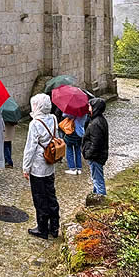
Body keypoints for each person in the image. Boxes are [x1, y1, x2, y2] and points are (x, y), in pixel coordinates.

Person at [22, 93, 60, 239]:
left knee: (39, 198)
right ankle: (54, 227)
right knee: (51, 195)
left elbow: (30, 148)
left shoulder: (35, 124)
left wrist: (26, 168)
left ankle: (42, 228)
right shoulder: (54, 118)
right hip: (50, 163)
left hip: (38, 166)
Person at [81, 97, 109, 196]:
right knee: (96, 178)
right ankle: (95, 196)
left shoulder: (96, 124)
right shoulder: (99, 120)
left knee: (98, 180)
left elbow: (96, 143)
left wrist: (88, 154)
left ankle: (101, 199)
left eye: (90, 107)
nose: (89, 109)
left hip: (96, 156)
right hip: (98, 155)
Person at [62, 111, 87, 176]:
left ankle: (72, 168)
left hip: (72, 132)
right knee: (78, 150)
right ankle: (79, 168)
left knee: (69, 150)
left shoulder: (73, 111)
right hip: (80, 133)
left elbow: (64, 115)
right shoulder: (84, 111)